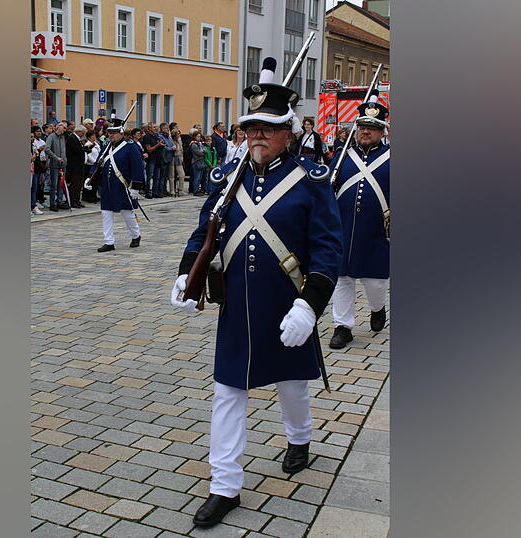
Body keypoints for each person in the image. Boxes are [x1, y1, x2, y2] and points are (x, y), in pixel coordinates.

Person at [170, 56, 342, 528]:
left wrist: (310, 304)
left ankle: (300, 438)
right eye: (251, 128)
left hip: (287, 304)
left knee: (291, 385)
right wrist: (188, 273)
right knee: (228, 391)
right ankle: (224, 485)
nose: (257, 136)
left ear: (288, 132)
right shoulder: (228, 180)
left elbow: (329, 249)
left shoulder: (311, 181)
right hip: (239, 306)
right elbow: (205, 231)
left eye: (267, 127)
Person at [328, 93, 391, 349]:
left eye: (372, 128)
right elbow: (327, 187)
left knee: (375, 282)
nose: (366, 132)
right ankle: (342, 327)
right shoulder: (343, 157)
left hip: (376, 230)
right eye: (363, 127)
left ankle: (378, 308)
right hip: (342, 227)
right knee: (342, 279)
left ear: (382, 132)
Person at [96, 119, 144, 252]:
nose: (111, 135)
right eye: (109, 133)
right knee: (106, 213)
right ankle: (109, 242)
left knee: (127, 213)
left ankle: (136, 235)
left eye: (114, 133)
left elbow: (137, 168)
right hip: (107, 186)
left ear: (121, 133)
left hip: (122, 186)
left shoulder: (130, 147)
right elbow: (98, 164)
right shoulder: (106, 146)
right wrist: (89, 178)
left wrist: (135, 187)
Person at [43, 123, 68, 210]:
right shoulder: (51, 137)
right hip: (54, 165)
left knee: (61, 184)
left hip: (62, 165)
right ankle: (52, 203)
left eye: (65, 128)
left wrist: (64, 159)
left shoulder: (62, 137)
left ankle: (59, 201)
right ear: (58, 127)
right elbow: (47, 149)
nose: (64, 129)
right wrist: (55, 157)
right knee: (54, 184)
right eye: (63, 128)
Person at [65, 121, 87, 208]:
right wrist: (85, 148)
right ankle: (73, 201)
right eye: (83, 133)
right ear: (79, 132)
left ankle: (77, 200)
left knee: (79, 184)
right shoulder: (72, 138)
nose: (83, 134)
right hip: (74, 166)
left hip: (79, 165)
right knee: (74, 184)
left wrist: (86, 149)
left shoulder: (77, 139)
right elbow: (77, 150)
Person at [141, 123, 163, 198]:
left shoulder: (156, 136)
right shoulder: (147, 137)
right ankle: (147, 192)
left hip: (158, 159)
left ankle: (155, 192)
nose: (156, 128)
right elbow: (149, 150)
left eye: (156, 127)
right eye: (154, 127)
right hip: (151, 159)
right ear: (149, 128)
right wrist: (158, 145)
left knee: (157, 177)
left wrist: (161, 145)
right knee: (149, 176)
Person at [82, 130, 102, 203]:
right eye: (92, 136)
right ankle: (88, 196)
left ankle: (94, 195)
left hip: (97, 165)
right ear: (89, 137)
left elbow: (99, 152)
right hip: (90, 165)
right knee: (90, 181)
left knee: (95, 182)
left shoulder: (96, 144)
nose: (94, 137)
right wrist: (94, 162)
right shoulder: (87, 145)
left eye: (95, 135)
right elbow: (88, 155)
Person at [157, 122, 176, 196]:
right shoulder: (160, 136)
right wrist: (171, 148)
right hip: (163, 157)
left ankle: (165, 190)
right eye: (165, 128)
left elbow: (171, 143)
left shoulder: (168, 136)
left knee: (166, 176)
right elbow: (163, 146)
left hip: (169, 157)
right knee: (162, 176)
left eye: (168, 128)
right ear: (161, 129)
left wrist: (173, 147)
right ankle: (160, 190)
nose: (167, 129)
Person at [30, 130, 46, 215]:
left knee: (34, 188)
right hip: (31, 169)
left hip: (35, 169)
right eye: (31, 137)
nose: (32, 139)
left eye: (32, 137)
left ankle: (33, 205)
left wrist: (37, 153)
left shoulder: (33, 146)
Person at [168, 129, 186, 196]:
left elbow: (181, 150)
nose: (179, 135)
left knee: (182, 174)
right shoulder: (170, 141)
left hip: (178, 158)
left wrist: (182, 158)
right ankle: (172, 190)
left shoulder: (179, 141)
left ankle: (180, 190)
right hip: (172, 158)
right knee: (171, 175)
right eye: (178, 134)